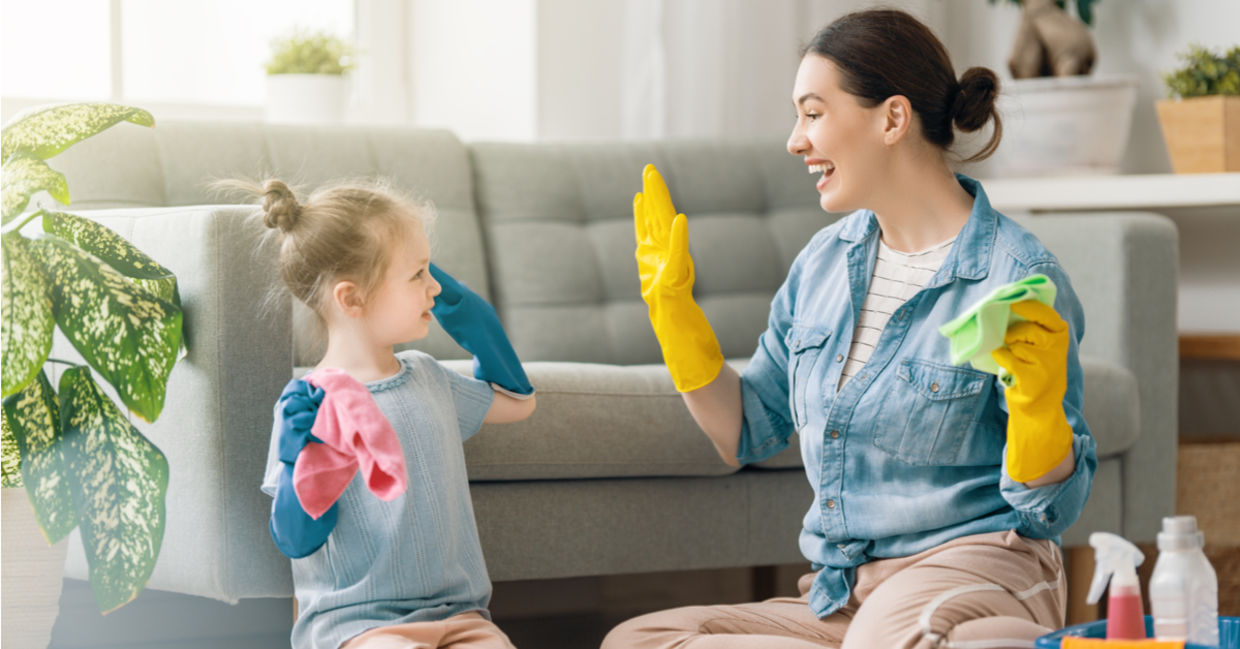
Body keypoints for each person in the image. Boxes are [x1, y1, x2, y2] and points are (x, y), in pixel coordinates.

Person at [605, 9, 1096, 649]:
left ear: (892, 118)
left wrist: (1037, 412)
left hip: (980, 567)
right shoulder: (824, 262)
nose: (794, 140)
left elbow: (1050, 511)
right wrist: (675, 315)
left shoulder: (1015, 276)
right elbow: (744, 430)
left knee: (895, 635)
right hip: (847, 596)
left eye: (812, 113)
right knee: (640, 639)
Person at [242, 178, 536, 649]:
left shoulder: (429, 377)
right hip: (358, 625)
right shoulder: (309, 405)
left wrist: (477, 325)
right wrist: (301, 464)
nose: (435, 286)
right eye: (418, 274)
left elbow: (520, 404)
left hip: (462, 617)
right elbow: (297, 542)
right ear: (352, 298)